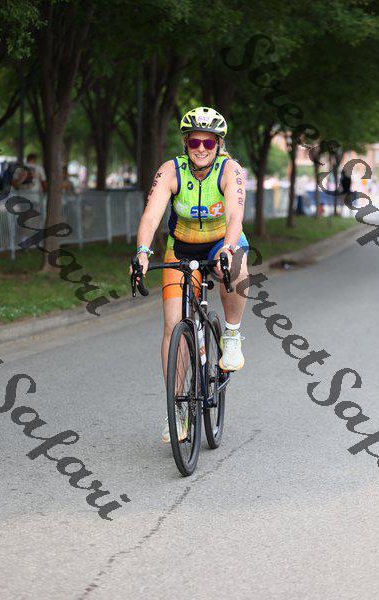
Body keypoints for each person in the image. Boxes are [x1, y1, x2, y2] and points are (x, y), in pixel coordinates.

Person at [131, 106, 249, 443]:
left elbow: (235, 216)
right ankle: (178, 411)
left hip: (221, 242)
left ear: (218, 145)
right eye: (195, 141)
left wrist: (228, 249)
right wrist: (142, 253)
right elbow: (151, 216)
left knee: (236, 265)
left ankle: (231, 334)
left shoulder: (230, 170)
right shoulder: (171, 170)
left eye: (208, 143)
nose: (201, 148)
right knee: (173, 326)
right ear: (186, 142)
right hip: (181, 247)